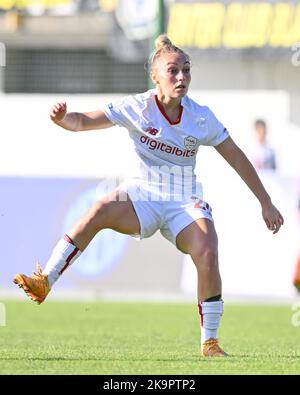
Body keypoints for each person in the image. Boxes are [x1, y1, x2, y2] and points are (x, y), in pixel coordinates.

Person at [13, 35, 284, 357]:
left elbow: (237, 156)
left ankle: (209, 342)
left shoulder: (201, 116)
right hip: (141, 194)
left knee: (208, 250)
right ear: (155, 76)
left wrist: (265, 202)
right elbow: (82, 121)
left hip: (184, 199)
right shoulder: (136, 107)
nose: (182, 77)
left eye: (186, 70)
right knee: (99, 207)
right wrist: (62, 120)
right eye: (173, 71)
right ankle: (45, 280)